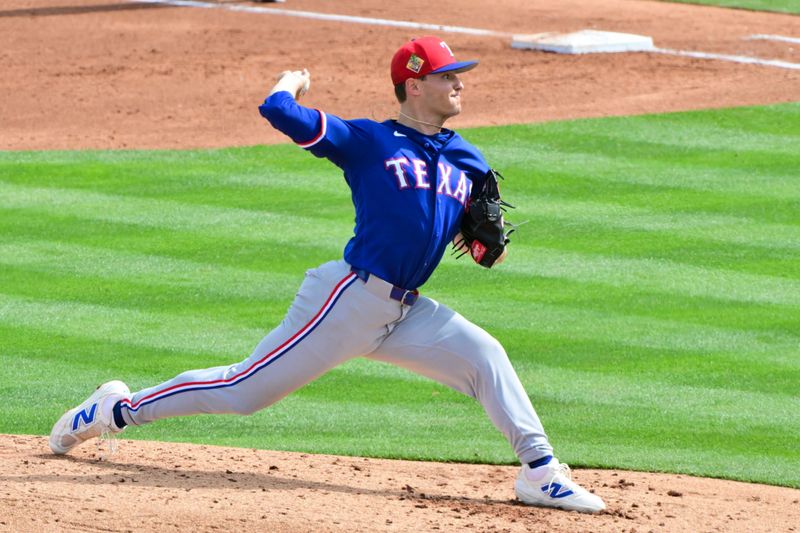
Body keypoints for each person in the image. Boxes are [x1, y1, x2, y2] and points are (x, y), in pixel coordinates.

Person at [49, 36, 605, 514]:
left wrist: (487, 247)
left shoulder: (469, 160)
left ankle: (540, 471)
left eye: (459, 74)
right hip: (349, 300)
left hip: (406, 310)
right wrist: (289, 84)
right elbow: (279, 112)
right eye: (447, 75)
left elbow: (483, 250)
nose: (460, 82)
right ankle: (116, 410)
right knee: (244, 391)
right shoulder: (369, 141)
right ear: (414, 85)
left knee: (485, 355)